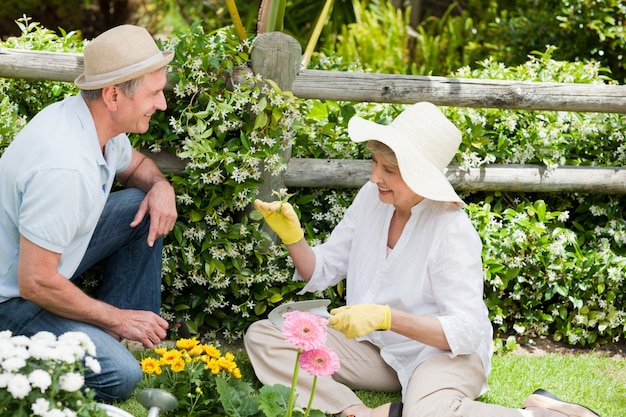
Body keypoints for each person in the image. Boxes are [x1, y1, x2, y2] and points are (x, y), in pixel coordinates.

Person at [244, 102, 600, 417]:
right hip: (378, 351)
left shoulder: (451, 229)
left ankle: (543, 413)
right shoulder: (371, 197)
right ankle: (353, 412)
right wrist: (294, 238)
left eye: (389, 170)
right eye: (375, 163)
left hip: (442, 357)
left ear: (420, 175)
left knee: (426, 412)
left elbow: (465, 331)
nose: (374, 177)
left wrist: (386, 317)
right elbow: (320, 270)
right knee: (265, 336)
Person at [0, 24, 177, 402]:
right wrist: (118, 317)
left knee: (141, 205)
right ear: (113, 95)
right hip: (10, 299)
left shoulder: (93, 123)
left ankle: (128, 335)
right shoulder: (64, 168)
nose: (162, 104)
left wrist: (161, 186)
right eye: (154, 93)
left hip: (40, 268)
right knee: (120, 376)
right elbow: (35, 283)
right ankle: (120, 332)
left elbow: (135, 166)